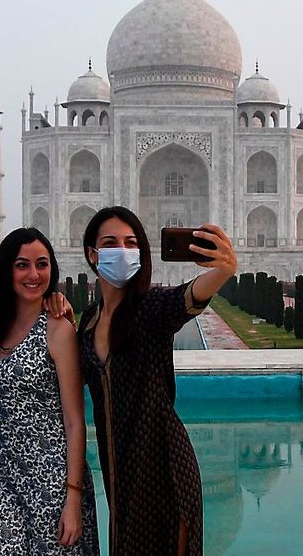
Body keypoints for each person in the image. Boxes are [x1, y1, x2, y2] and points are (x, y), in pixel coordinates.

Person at [77, 207, 237, 556]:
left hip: (164, 469)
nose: (122, 250)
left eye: (131, 243)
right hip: (119, 473)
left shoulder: (150, 309)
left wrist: (223, 269)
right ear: (92, 253)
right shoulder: (88, 323)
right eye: (111, 242)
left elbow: (190, 297)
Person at [0, 228, 99, 554]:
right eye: (22, 265)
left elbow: (74, 421)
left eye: (42, 264)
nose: (34, 274)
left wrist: (73, 497)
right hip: (4, 474)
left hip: (54, 481)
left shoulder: (58, 329)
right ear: (6, 270)